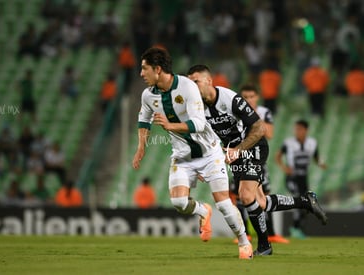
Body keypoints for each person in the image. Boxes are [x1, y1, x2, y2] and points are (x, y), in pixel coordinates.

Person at [187, 65, 327, 255]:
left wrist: (238, 149)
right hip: (235, 153)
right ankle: (305, 201)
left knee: (245, 196)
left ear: (209, 81)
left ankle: (264, 246)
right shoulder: (198, 108)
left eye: (196, 81)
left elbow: (260, 128)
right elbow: (205, 138)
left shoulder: (229, 99)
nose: (192, 87)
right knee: (259, 202)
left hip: (253, 147)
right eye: (190, 83)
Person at [132, 47, 253, 259]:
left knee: (224, 204)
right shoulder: (148, 95)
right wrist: (141, 147)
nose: (141, 73)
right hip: (182, 157)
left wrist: (170, 126)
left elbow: (198, 123)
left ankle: (244, 242)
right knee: (179, 203)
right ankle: (203, 211)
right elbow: (144, 119)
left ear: (158, 69)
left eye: (144, 69)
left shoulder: (187, 87)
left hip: (209, 153)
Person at [241, 84, 289, 244]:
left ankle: (271, 234)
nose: (248, 100)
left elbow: (269, 134)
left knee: (264, 195)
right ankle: (245, 234)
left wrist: (253, 117)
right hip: (240, 156)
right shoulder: (236, 112)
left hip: (258, 157)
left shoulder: (264, 112)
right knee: (239, 195)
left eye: (251, 96)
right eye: (245, 97)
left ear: (257, 97)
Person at [276, 119, 327, 239]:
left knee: (306, 202)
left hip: (304, 179)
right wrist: (284, 168)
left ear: (306, 130)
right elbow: (277, 156)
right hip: (292, 178)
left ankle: (298, 229)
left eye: (299, 129)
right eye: (296, 129)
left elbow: (316, 157)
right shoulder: (288, 143)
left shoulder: (312, 143)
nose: (297, 131)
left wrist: (321, 163)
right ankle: (295, 228)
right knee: (299, 198)